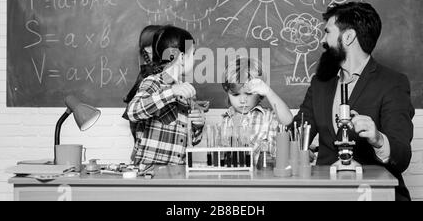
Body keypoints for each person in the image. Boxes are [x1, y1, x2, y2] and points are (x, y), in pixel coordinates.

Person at [291, 2, 414, 201]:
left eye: (327, 32)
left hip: (373, 195)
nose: (322, 40)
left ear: (348, 37)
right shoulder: (320, 84)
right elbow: (296, 132)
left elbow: (402, 157)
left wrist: (378, 139)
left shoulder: (393, 83)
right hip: (326, 194)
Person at [126, 25, 205, 165]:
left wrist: (197, 126)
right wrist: (172, 92)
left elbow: (191, 140)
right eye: (192, 54)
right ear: (181, 58)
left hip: (176, 172)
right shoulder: (154, 82)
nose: (195, 59)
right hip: (150, 173)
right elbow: (133, 112)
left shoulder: (186, 91)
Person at [219, 57, 294, 167]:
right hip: (234, 179)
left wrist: (268, 91)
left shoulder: (268, 117)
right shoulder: (225, 120)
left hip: (265, 179)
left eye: (249, 94)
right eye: (235, 95)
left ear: (259, 93)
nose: (242, 100)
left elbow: (288, 120)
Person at [122, 25, 162, 161]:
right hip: (148, 154)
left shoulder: (165, 74)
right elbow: (134, 114)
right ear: (148, 49)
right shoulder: (150, 78)